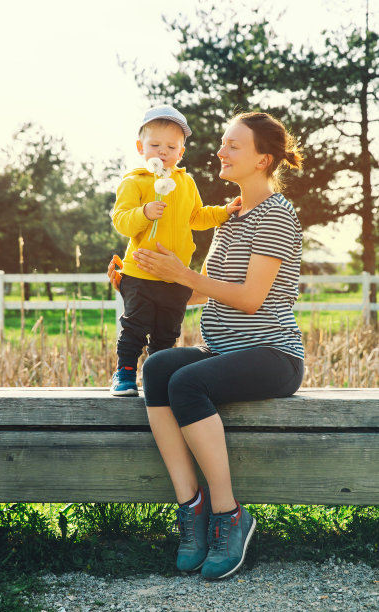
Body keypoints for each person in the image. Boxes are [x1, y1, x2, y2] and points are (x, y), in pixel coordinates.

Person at [108, 111, 304, 580]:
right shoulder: (233, 216)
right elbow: (201, 290)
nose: (220, 151)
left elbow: (252, 299)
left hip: (272, 354)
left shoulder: (276, 213)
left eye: (233, 146)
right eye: (222, 143)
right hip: (223, 351)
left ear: (263, 159)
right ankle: (191, 508)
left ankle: (229, 513)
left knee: (189, 382)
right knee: (157, 371)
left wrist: (182, 274)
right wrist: (137, 286)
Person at [110, 104, 241, 396]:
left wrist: (223, 212)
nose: (162, 151)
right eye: (155, 145)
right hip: (140, 273)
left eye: (171, 146)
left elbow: (196, 216)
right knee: (134, 327)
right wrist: (144, 212)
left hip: (175, 278)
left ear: (181, 152)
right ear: (140, 147)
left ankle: (156, 376)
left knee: (167, 333)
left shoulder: (185, 182)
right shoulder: (134, 182)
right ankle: (125, 373)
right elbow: (121, 221)